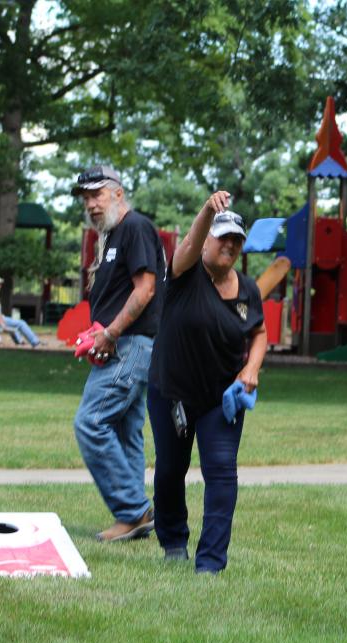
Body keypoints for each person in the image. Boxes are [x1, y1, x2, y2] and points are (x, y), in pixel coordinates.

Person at [147, 190, 267, 573]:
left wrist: (251, 369)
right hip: (172, 392)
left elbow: (259, 333)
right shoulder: (184, 274)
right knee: (171, 469)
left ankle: (211, 563)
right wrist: (206, 211)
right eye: (222, 237)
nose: (229, 245)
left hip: (220, 397)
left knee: (222, 472)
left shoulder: (247, 289)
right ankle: (173, 541)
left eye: (236, 240)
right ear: (206, 241)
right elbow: (187, 245)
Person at [71, 165, 166, 542]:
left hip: (130, 344)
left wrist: (110, 333)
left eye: (97, 194)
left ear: (118, 193)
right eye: (86, 198)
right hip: (125, 344)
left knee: (91, 422)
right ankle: (136, 517)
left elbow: (145, 289)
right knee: (126, 430)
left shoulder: (135, 227)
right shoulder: (112, 235)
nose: (91, 204)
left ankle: (132, 510)